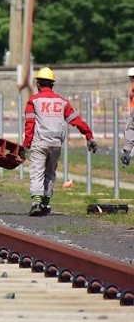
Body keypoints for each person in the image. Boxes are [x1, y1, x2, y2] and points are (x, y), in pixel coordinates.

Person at [23, 67, 96, 216]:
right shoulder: (62, 102)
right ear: (52, 84)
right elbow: (76, 121)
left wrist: (26, 145)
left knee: (37, 171)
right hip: (56, 144)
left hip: (39, 142)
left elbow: (29, 125)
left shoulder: (33, 101)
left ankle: (36, 201)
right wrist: (89, 135)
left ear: (38, 84)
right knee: (50, 173)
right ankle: (45, 204)